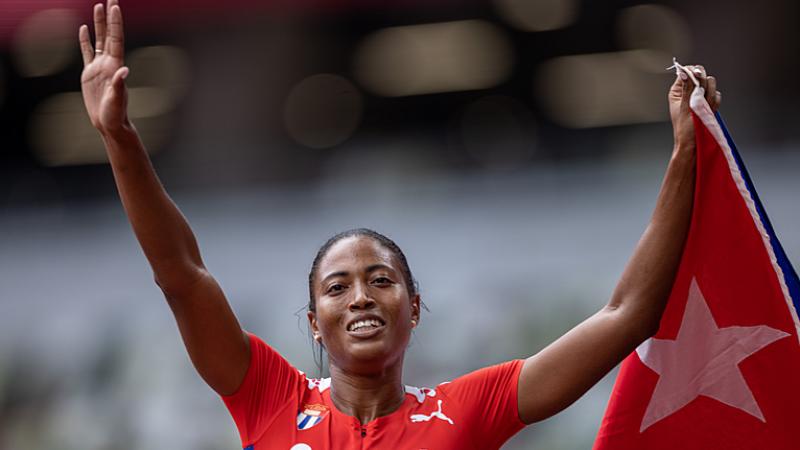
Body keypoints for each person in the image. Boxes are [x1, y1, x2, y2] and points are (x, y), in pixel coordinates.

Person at [78, 1, 722, 449]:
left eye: (379, 279)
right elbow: (181, 275)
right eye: (336, 288)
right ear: (312, 323)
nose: (359, 296)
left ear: (414, 308)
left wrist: (685, 157)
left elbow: (627, 316)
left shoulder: (471, 409)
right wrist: (120, 137)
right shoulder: (268, 397)